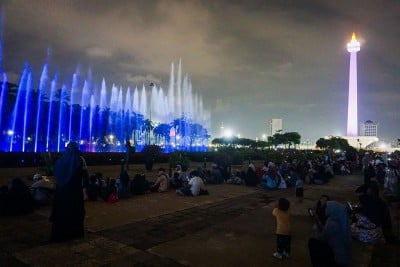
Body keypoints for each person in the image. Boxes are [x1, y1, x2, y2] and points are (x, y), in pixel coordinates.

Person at [50, 142, 86, 242]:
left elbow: (56, 172)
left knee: (62, 213)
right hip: (75, 193)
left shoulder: (61, 161)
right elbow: (82, 177)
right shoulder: (78, 161)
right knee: (75, 213)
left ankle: (59, 234)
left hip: (62, 192)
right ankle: (75, 233)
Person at [308, 201, 352, 267]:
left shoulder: (332, 224)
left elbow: (321, 238)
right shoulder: (340, 219)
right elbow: (326, 231)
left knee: (312, 242)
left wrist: (316, 227)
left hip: (337, 261)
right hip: (344, 258)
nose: (325, 209)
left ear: (332, 210)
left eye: (326, 207)